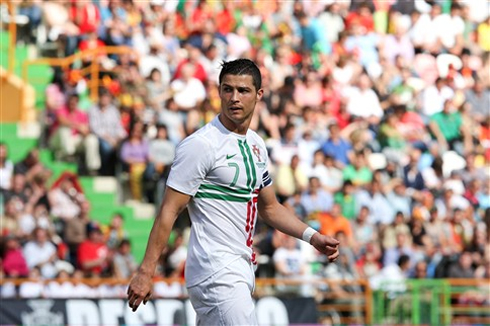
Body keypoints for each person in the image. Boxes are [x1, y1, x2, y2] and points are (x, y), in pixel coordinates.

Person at [127, 59, 340, 325]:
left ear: (259, 94)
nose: (234, 98)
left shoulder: (256, 144)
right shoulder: (201, 145)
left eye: (243, 90)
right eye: (227, 89)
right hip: (215, 270)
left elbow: (270, 207)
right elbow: (169, 209)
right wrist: (147, 271)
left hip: (240, 268)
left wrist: (312, 237)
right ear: (218, 92)